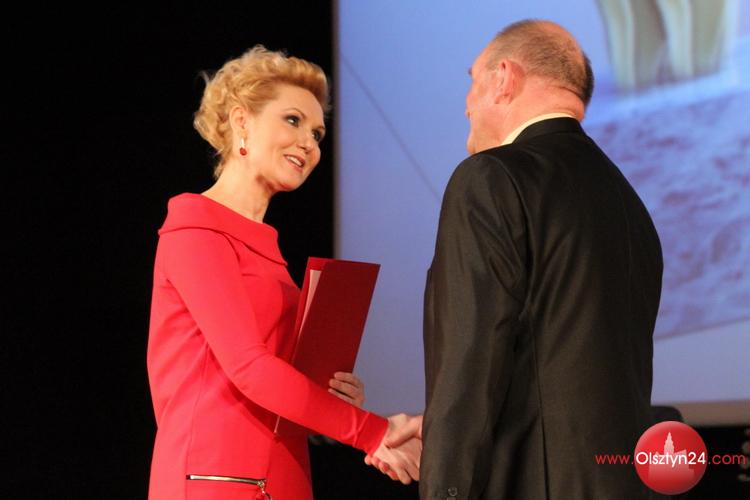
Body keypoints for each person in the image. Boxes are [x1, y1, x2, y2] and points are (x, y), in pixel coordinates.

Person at [146, 45, 421, 500]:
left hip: (282, 476)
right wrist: (370, 431)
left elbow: (271, 386)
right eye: (292, 120)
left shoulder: (266, 249)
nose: (309, 143)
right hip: (214, 479)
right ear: (242, 122)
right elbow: (249, 369)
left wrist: (329, 396)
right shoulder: (196, 229)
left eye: (317, 133)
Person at [405, 19, 663, 499]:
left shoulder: (489, 178)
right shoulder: (629, 203)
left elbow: (469, 366)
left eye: (472, 81)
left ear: (503, 78)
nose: (466, 104)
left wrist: (445, 486)